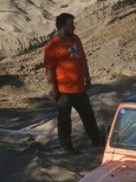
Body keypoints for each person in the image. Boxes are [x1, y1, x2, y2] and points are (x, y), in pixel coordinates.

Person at [43, 13, 102, 154]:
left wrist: (87, 77)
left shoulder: (76, 39)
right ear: (62, 27)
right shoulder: (52, 45)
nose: (74, 27)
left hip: (79, 88)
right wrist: (52, 88)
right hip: (64, 90)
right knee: (64, 120)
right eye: (71, 25)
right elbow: (49, 69)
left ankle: (97, 141)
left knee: (89, 116)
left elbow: (83, 59)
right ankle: (66, 147)